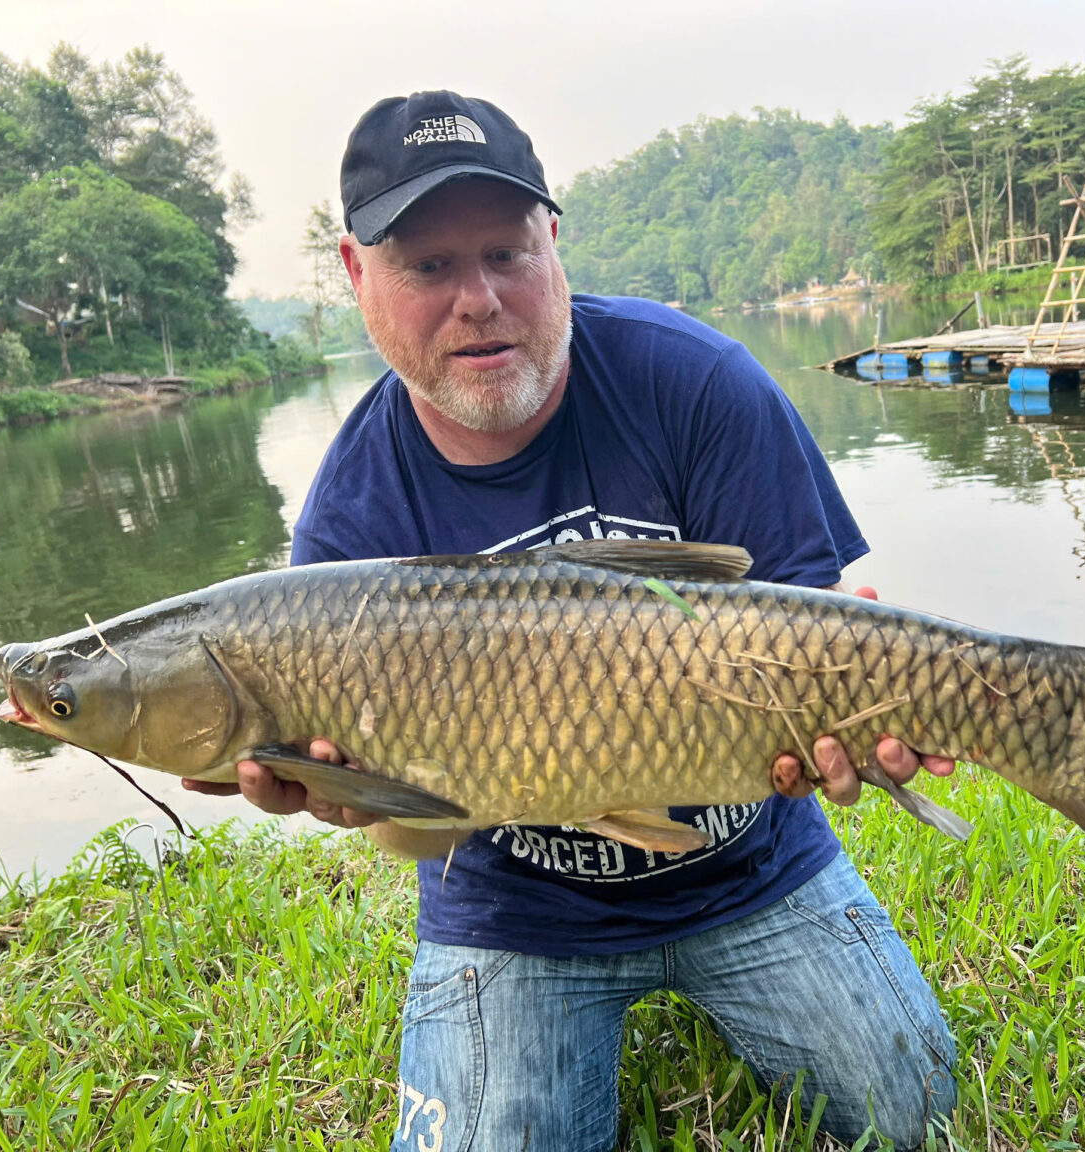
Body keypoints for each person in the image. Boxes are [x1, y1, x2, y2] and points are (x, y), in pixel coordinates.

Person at [185, 91, 958, 1150]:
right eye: (429, 268)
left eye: (506, 253)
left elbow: (809, 621)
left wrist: (856, 699)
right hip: (519, 911)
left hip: (753, 863)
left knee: (908, 1108)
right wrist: (352, 799)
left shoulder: (694, 379)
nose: (479, 300)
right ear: (358, 277)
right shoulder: (351, 517)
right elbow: (421, 835)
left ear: (554, 241)